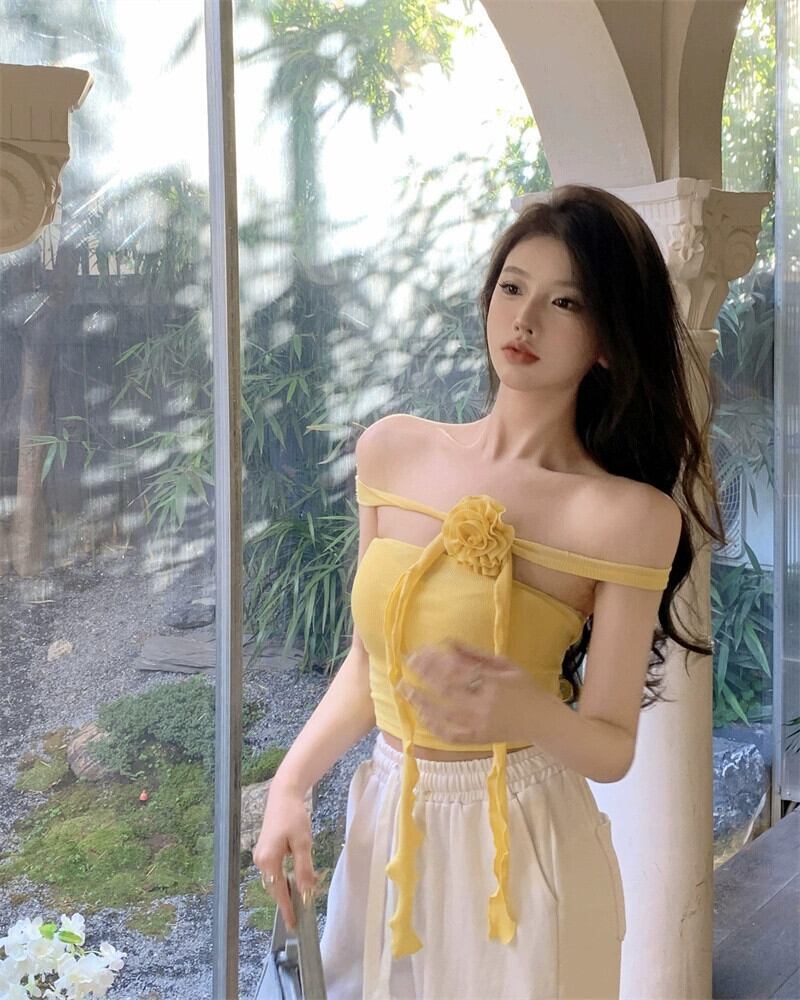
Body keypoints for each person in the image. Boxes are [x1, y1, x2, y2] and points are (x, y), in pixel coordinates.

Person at [253, 183, 726, 1000]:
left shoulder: (628, 518)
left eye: (565, 302)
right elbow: (368, 667)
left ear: (608, 341)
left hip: (527, 839)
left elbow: (612, 744)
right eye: (512, 287)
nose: (525, 320)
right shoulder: (393, 451)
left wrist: (525, 710)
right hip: (386, 820)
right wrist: (290, 785)